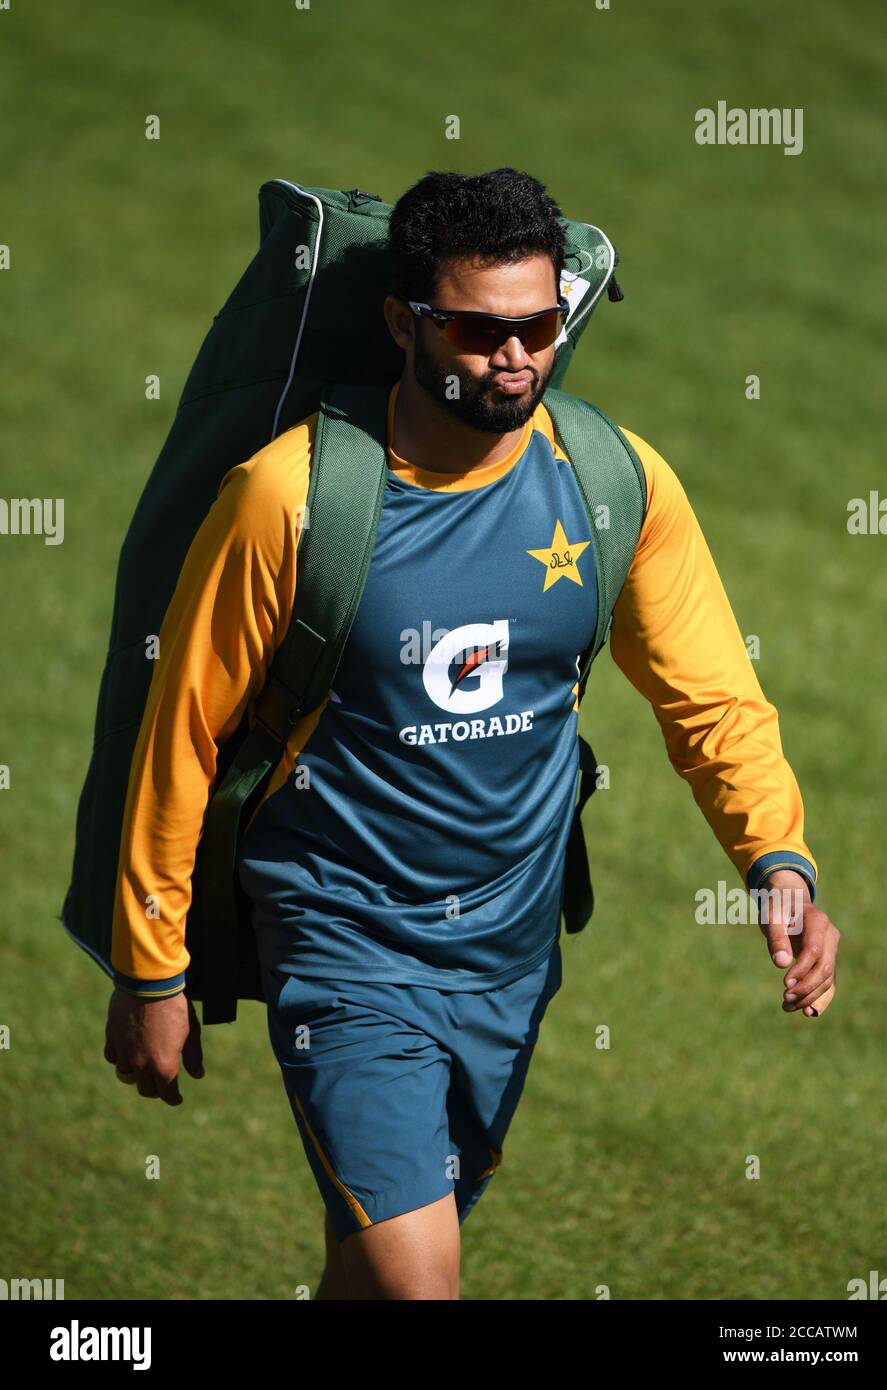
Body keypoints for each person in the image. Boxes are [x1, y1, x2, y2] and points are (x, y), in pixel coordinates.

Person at [103, 167, 841, 1300]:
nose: (515, 357)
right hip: (342, 941)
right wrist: (151, 967)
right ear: (404, 321)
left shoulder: (610, 484)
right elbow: (180, 735)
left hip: (511, 952)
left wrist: (773, 855)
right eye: (477, 329)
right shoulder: (287, 498)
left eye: (538, 325)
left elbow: (709, 697)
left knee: (372, 1270)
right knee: (420, 1286)